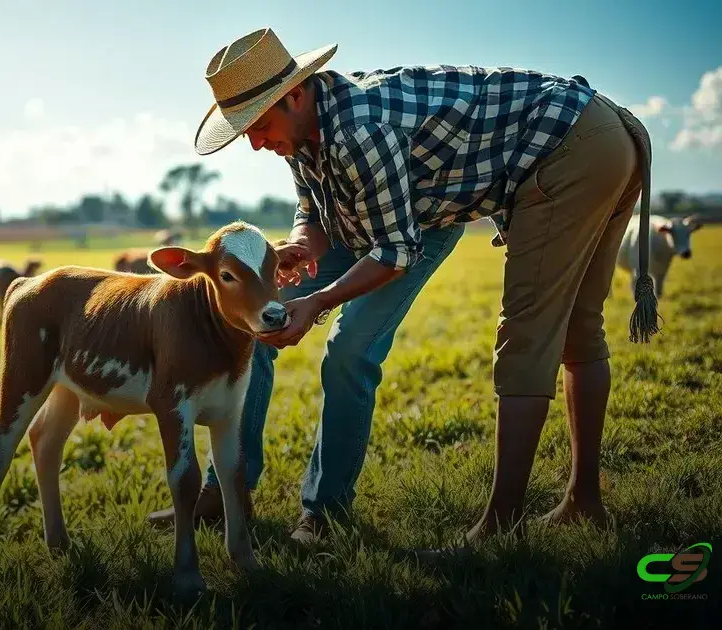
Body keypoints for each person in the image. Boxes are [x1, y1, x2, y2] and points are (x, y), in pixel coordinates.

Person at [147, 27, 659, 546]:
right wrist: (301, 244)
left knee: (366, 349)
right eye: (245, 131)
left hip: (565, 145)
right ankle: (225, 491)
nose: (255, 143)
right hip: (578, 138)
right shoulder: (300, 132)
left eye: (257, 125)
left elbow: (395, 250)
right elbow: (313, 210)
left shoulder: (359, 130)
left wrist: (318, 301)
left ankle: (368, 518)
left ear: (296, 93)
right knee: (246, 317)